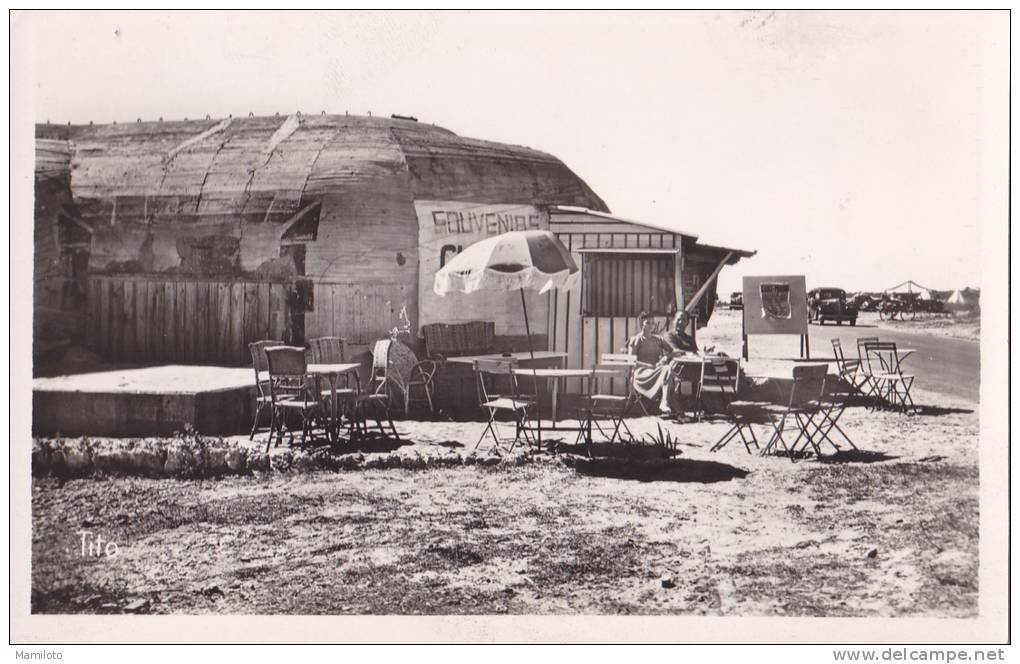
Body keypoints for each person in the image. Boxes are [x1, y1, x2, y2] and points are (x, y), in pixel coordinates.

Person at [626, 311, 675, 415]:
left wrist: (665, 358)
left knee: (667, 368)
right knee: (666, 371)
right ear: (641, 324)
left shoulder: (658, 339)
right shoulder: (636, 340)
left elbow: (672, 352)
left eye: (653, 323)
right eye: (648, 323)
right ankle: (665, 402)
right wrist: (648, 365)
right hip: (641, 373)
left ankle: (664, 402)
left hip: (656, 371)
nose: (651, 326)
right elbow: (631, 361)